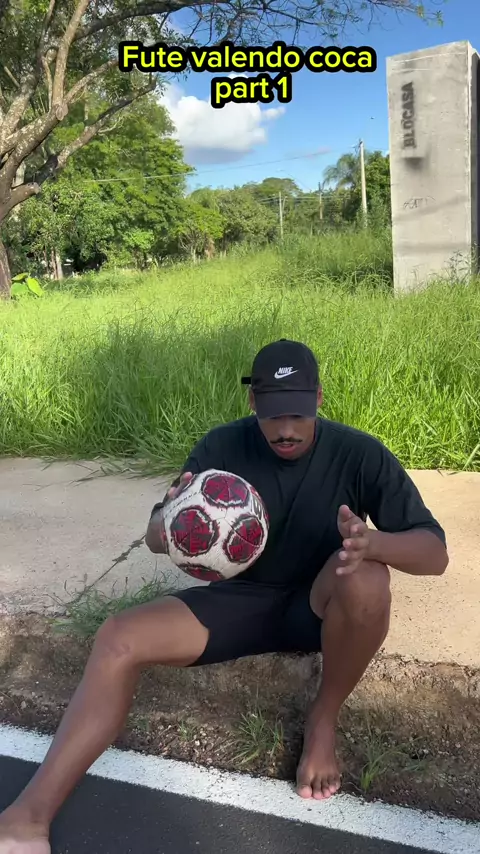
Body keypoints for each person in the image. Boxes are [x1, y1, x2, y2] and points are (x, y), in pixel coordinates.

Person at [0, 338, 449, 854]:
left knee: (368, 578)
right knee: (117, 638)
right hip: (239, 604)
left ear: (319, 399)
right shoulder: (222, 447)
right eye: (274, 414)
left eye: (298, 414)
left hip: (321, 606)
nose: (286, 429)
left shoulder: (358, 453)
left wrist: (375, 544)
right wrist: (166, 523)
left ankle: (323, 720)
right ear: (253, 402)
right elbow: (155, 536)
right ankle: (27, 819)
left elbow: (434, 553)